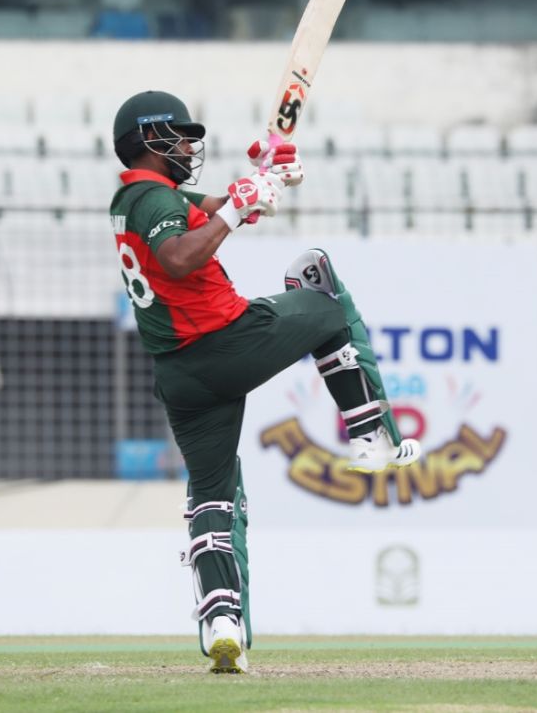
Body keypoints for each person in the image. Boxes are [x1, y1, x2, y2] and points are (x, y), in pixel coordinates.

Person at [108, 90, 421, 674]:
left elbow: (217, 208)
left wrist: (264, 179)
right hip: (225, 344)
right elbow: (180, 257)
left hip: (179, 375)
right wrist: (236, 208)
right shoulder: (153, 199)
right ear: (149, 138)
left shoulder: (139, 199)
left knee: (213, 496)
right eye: (180, 137)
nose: (189, 147)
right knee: (321, 288)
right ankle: (372, 436)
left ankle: (222, 623)